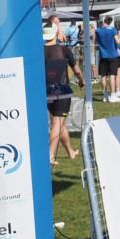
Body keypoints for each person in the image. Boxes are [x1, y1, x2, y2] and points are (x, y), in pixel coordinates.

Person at [44, 25, 84, 164]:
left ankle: (70, 152)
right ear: (56, 33)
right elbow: (77, 70)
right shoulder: (64, 50)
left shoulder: (39, 51)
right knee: (58, 122)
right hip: (62, 91)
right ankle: (50, 154)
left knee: (60, 123)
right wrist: (81, 80)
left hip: (47, 91)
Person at [96, 15, 120, 103]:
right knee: (112, 75)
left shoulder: (98, 30)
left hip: (103, 56)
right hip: (112, 55)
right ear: (110, 22)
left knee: (103, 76)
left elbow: (96, 41)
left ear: (104, 21)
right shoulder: (113, 30)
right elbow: (117, 41)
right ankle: (112, 95)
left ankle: (105, 95)